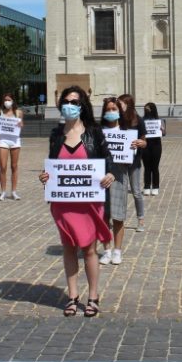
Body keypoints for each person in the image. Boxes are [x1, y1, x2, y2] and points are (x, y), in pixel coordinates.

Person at [38, 86, 114, 317]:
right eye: (66, 101)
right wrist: (45, 176)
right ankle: (72, 296)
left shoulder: (95, 132)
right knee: (68, 247)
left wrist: (109, 174)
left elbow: (106, 160)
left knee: (89, 249)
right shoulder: (56, 134)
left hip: (89, 201)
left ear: (82, 106)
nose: (69, 105)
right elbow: (53, 165)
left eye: (74, 101)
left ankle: (93, 296)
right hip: (64, 202)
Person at [99, 97, 141, 264]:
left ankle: (117, 250)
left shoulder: (127, 131)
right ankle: (106, 249)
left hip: (119, 176)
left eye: (114, 109)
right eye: (108, 109)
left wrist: (135, 147)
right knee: (103, 216)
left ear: (120, 111)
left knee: (118, 215)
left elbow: (131, 157)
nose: (111, 112)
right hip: (100, 178)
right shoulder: (98, 131)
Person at [113, 94, 147, 233]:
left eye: (121, 104)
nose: (119, 106)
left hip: (134, 162)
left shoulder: (138, 120)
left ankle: (141, 219)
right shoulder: (117, 120)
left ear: (128, 104)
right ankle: (118, 219)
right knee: (118, 192)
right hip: (119, 162)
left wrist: (141, 143)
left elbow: (145, 141)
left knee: (136, 191)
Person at [0, 93, 24, 201]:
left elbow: (22, 124)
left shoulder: (18, 112)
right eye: (5, 100)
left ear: (13, 101)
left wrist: (20, 124)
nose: (7, 102)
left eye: (9, 100)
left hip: (15, 140)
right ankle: (3, 192)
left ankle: (14, 192)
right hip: (3, 140)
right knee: (3, 166)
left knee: (14, 166)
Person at [141, 102, 165, 203]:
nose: (148, 111)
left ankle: (155, 187)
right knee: (147, 167)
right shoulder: (141, 120)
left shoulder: (160, 121)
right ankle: (146, 186)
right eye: (146, 109)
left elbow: (163, 134)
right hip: (145, 145)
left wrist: (162, 130)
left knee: (155, 167)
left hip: (156, 145)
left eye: (149, 109)